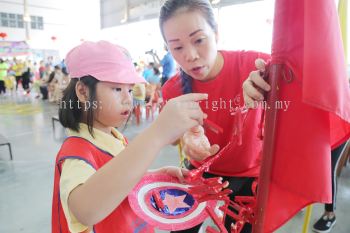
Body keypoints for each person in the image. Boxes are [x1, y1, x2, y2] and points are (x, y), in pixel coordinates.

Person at [51, 40, 209, 233]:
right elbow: (86, 211)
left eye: (129, 89)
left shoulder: (114, 136)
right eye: (117, 89)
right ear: (83, 91)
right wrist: (156, 133)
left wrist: (156, 175)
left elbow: (118, 176)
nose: (128, 99)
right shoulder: (76, 153)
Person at [159, 0, 270, 232]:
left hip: (249, 176)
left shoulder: (255, 65)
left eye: (199, 40)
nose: (190, 55)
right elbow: (169, 137)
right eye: (177, 47)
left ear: (216, 33)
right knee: (179, 227)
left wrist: (272, 88)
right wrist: (184, 135)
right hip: (201, 171)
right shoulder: (173, 89)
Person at [312, 142, 348, 233]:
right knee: (313, 159)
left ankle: (330, 215)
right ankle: (303, 200)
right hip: (324, 128)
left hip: (342, 129)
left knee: (330, 168)